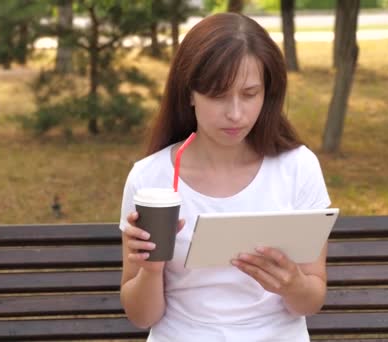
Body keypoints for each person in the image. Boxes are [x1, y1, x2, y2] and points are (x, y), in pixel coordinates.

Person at [118, 12, 331, 342]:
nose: (235, 113)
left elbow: (312, 300)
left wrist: (293, 284)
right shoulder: (151, 179)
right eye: (218, 95)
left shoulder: (297, 168)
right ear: (190, 93)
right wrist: (151, 269)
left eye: (249, 94)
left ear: (267, 93)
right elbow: (142, 317)